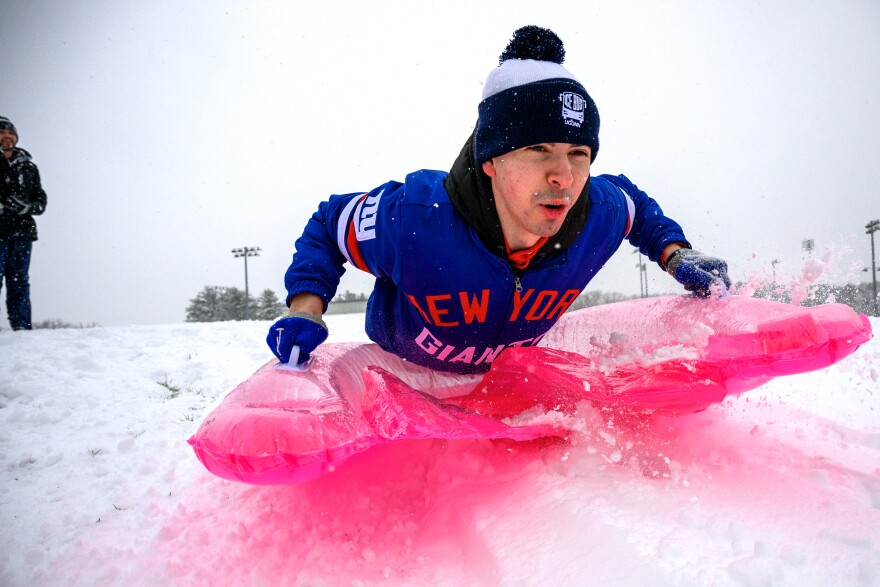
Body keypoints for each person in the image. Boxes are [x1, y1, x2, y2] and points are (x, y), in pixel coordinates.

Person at [267, 26, 731, 374]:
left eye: (578, 153)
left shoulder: (598, 211)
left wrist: (675, 253)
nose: (563, 176)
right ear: (491, 161)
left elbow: (636, 206)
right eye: (539, 149)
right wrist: (305, 310)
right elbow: (330, 225)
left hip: (507, 387)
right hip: (403, 379)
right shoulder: (413, 217)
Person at [0, 116, 47, 331]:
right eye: (2, 133)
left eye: (10, 133)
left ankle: (21, 329)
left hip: (22, 233)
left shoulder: (28, 166)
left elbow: (41, 201)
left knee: (19, 281)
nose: (7, 137)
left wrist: (26, 207)